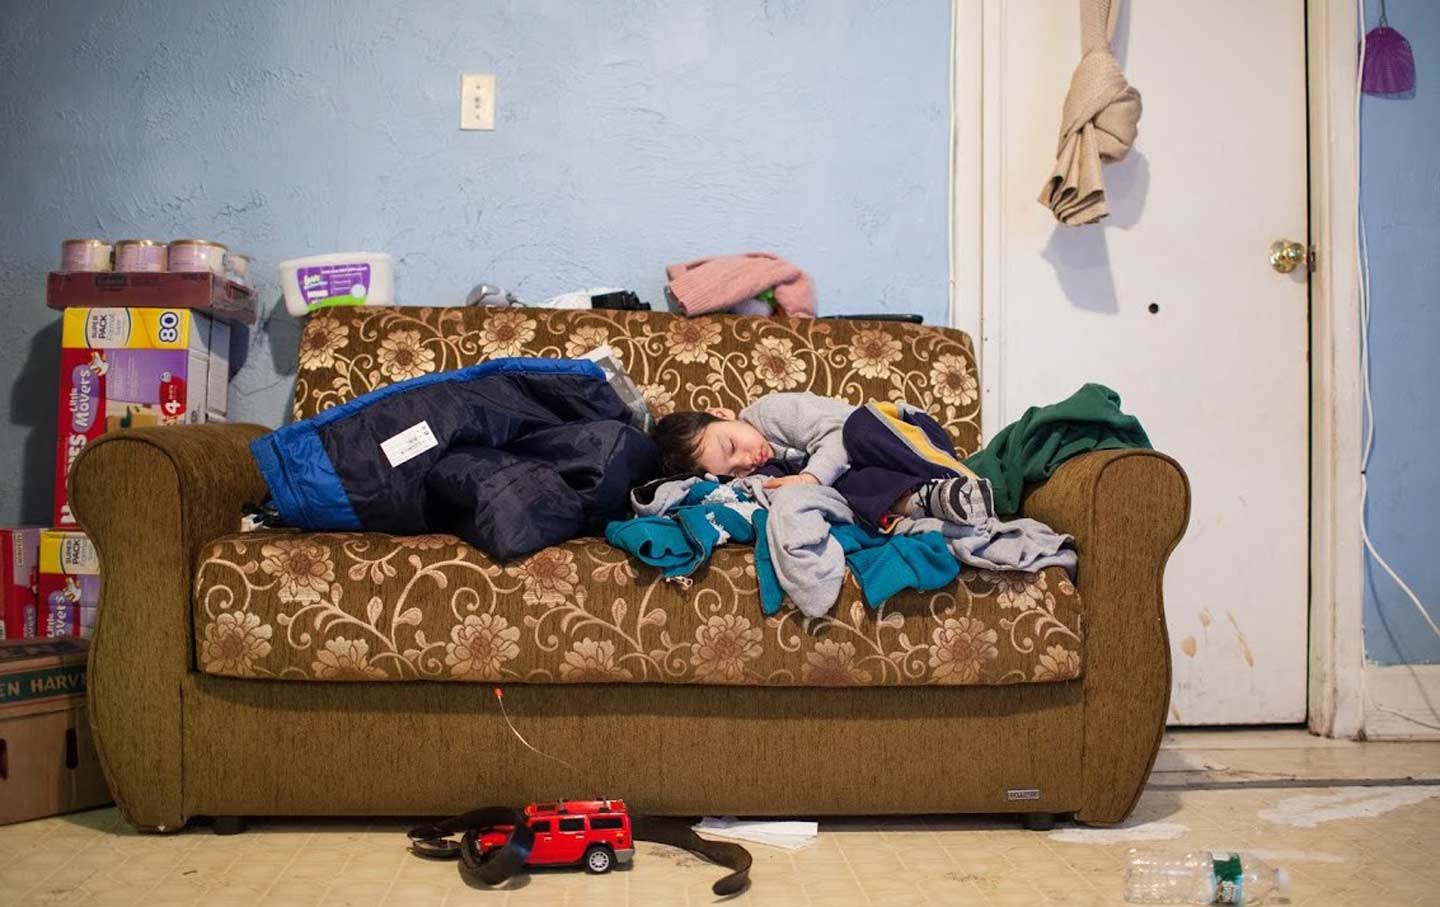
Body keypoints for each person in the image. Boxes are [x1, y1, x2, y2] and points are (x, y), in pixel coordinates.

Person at [651, 392, 981, 528]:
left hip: (903, 434)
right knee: (842, 486)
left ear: (721, 414)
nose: (748, 460)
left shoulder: (770, 413)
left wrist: (810, 479)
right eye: (735, 469)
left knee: (857, 428)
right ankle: (932, 501)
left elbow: (836, 437)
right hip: (886, 469)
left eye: (732, 445)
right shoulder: (766, 466)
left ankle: (956, 476)